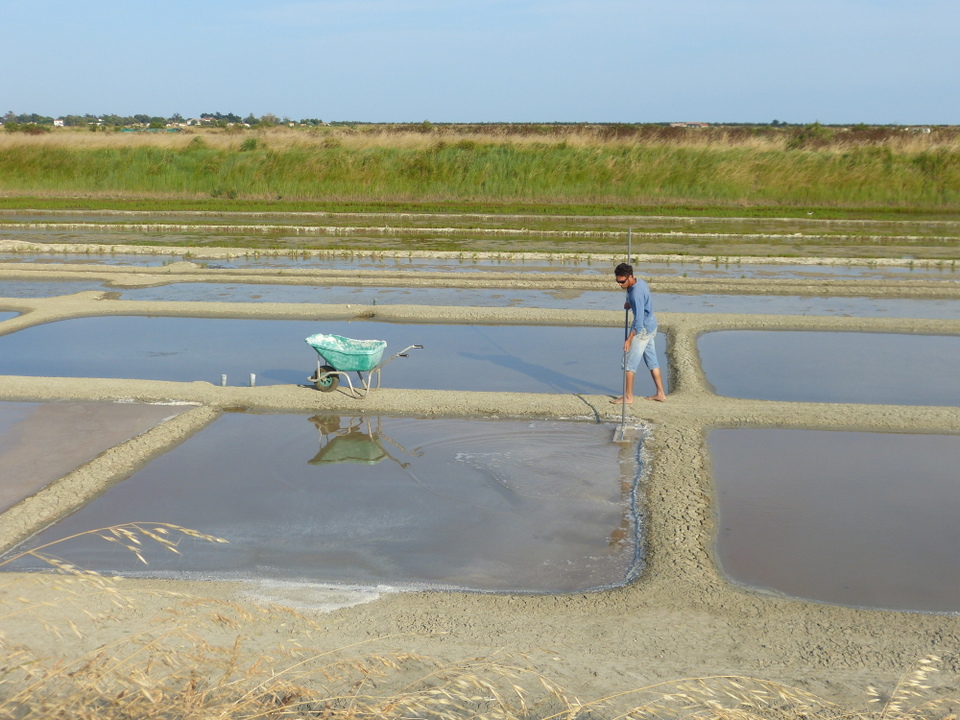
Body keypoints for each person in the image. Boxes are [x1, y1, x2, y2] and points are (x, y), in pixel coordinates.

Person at [611, 262, 666, 403]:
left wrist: (629, 339)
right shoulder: (640, 282)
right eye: (618, 282)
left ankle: (628, 397)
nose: (620, 285)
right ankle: (660, 394)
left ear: (630, 277)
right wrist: (630, 304)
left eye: (622, 282)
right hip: (651, 325)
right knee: (652, 361)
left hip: (643, 330)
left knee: (629, 364)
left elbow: (639, 322)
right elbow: (642, 302)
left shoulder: (635, 294)